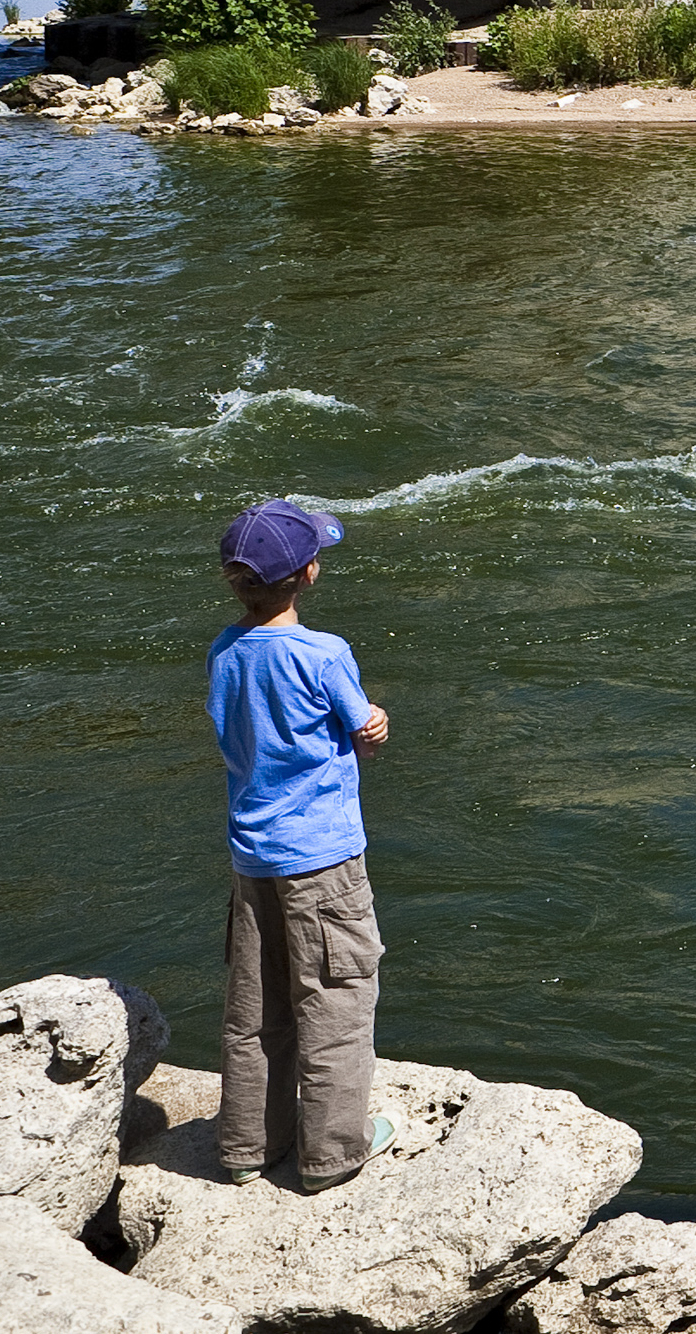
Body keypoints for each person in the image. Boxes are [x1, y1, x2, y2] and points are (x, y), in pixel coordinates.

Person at [210, 498, 396, 1192]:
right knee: (337, 1002)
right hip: (323, 860)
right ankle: (331, 1153)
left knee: (256, 1007)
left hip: (251, 857)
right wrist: (375, 723)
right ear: (309, 572)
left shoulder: (223, 650)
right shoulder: (325, 652)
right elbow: (360, 730)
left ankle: (246, 1147)